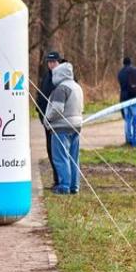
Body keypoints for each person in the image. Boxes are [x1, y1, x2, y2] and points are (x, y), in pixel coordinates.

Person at [43, 61, 83, 195]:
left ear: (58, 74)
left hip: (61, 127)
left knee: (61, 157)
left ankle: (64, 186)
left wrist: (47, 119)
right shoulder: (77, 87)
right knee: (73, 157)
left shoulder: (61, 88)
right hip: (76, 126)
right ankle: (74, 186)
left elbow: (57, 109)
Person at [35, 51, 62, 189]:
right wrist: (40, 113)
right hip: (46, 121)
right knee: (50, 151)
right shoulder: (46, 76)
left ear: (59, 62)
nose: (51, 64)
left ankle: (62, 181)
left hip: (57, 122)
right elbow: (40, 95)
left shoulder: (62, 77)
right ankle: (56, 180)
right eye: (49, 62)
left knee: (59, 152)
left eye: (53, 62)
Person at [117, 57, 136, 145]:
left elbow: (121, 85)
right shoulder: (135, 71)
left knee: (128, 120)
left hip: (125, 99)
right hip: (135, 97)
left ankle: (128, 139)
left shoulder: (120, 73)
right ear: (131, 62)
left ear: (123, 63)